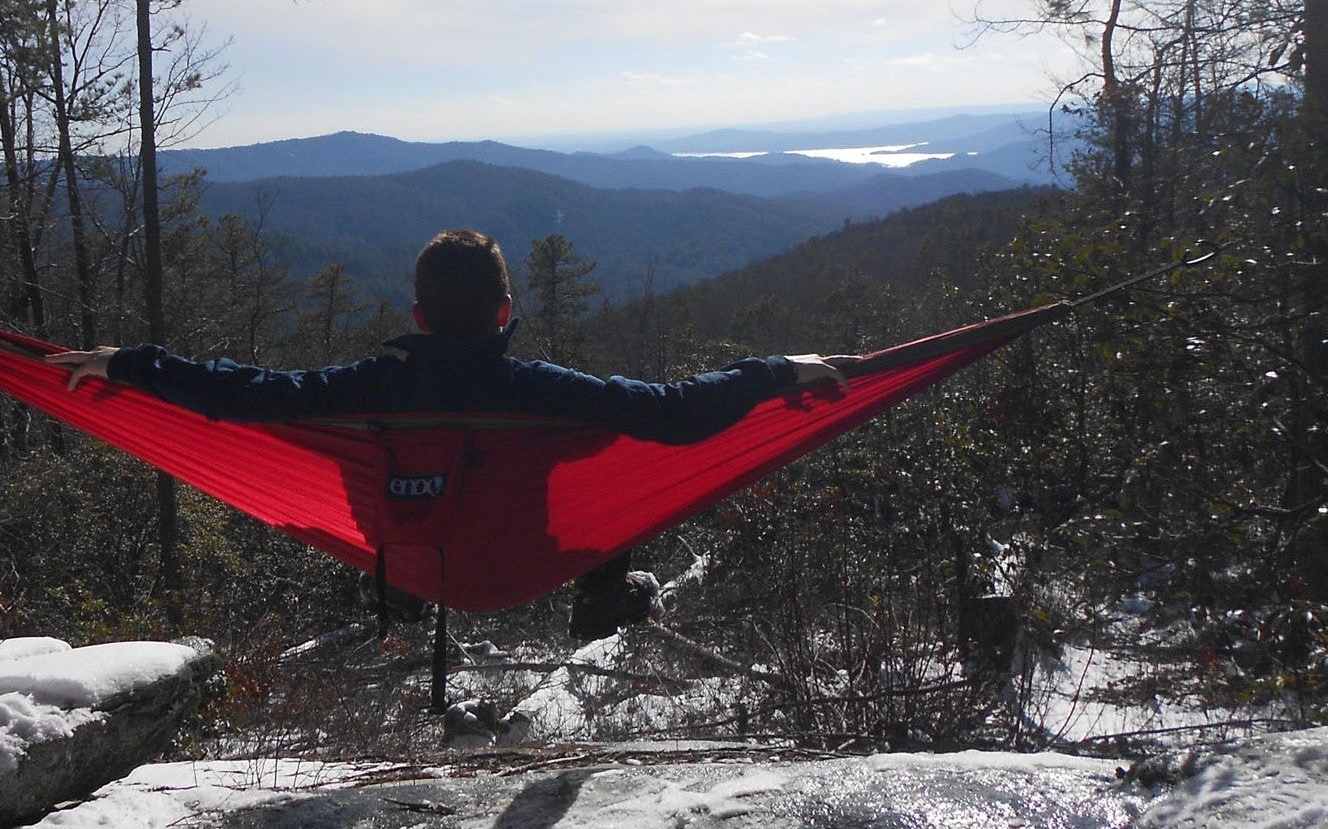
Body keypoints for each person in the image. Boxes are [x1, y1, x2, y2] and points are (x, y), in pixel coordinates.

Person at [46, 229, 853, 639]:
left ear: (417, 319)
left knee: (372, 461)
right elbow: (679, 412)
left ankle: (398, 595)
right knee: (614, 445)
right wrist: (780, 368)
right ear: (505, 315)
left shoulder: (371, 385)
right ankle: (603, 595)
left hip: (419, 557)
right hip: (520, 557)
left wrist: (129, 363)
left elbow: (247, 396)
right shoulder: (535, 389)